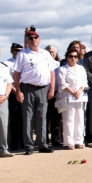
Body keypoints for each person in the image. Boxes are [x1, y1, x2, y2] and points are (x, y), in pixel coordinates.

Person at [13, 27, 56, 155]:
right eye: (30, 38)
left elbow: (52, 72)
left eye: (35, 38)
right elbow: (16, 74)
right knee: (28, 117)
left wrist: (52, 89)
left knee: (42, 117)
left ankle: (42, 144)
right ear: (27, 41)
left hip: (43, 87)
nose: (33, 40)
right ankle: (29, 146)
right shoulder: (22, 54)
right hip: (27, 88)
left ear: (39, 39)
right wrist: (18, 90)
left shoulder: (45, 54)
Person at [57, 47, 89, 149]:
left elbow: (84, 81)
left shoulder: (81, 68)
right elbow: (62, 83)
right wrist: (72, 92)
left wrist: (79, 91)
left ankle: (79, 140)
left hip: (80, 96)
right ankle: (69, 141)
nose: (73, 59)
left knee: (80, 119)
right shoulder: (62, 69)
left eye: (75, 57)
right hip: (68, 96)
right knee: (69, 119)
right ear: (67, 58)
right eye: (71, 57)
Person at [5, 43, 24, 150]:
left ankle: (24, 141)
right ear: (12, 51)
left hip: (25, 92)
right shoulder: (7, 63)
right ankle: (15, 143)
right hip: (13, 93)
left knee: (25, 118)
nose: (19, 52)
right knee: (14, 119)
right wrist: (16, 91)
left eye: (20, 50)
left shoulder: (25, 61)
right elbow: (9, 80)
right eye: (16, 50)